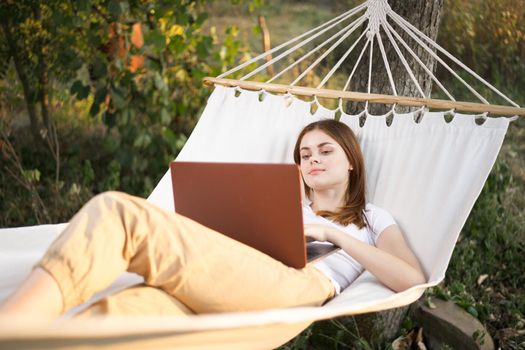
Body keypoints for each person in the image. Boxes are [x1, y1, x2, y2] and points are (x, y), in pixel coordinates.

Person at [0, 119, 426, 320]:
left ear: (351, 160)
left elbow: (411, 278)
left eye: (325, 150)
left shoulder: (371, 217)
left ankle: (11, 326)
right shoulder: (282, 204)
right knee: (129, 312)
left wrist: (331, 232)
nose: (312, 159)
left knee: (120, 214)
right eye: (305, 154)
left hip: (301, 283)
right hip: (239, 273)